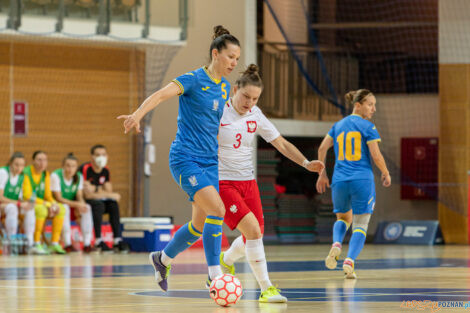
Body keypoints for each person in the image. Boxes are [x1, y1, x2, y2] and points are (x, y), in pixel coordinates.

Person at [118, 25, 241, 292]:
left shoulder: (225, 87)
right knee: (217, 210)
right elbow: (161, 95)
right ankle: (214, 275)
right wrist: (137, 115)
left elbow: (214, 124)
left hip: (209, 162)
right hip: (185, 159)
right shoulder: (194, 79)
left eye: (237, 59)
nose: (234, 63)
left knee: (198, 225)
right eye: (231, 57)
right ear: (216, 53)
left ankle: (162, 259)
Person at [216, 64, 324, 303]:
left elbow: (282, 144)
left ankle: (227, 260)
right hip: (224, 183)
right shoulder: (219, 112)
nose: (249, 102)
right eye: (245, 96)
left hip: (249, 182)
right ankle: (267, 289)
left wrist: (306, 163)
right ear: (234, 89)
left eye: (255, 98)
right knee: (253, 231)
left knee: (254, 236)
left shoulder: (256, 114)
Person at [316, 89, 391, 279]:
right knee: (361, 224)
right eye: (370, 104)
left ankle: (336, 244)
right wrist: (385, 171)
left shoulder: (338, 125)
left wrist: (322, 174)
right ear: (358, 105)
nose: (374, 109)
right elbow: (375, 154)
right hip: (361, 180)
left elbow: (322, 148)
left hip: (339, 180)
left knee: (343, 218)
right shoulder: (368, 126)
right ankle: (349, 261)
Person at [80, 144, 129, 253]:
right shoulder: (86, 169)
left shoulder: (105, 170)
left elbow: (109, 192)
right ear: (92, 157)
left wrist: (95, 189)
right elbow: (87, 195)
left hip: (99, 200)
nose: (101, 157)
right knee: (99, 205)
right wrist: (101, 190)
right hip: (85, 202)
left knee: (113, 204)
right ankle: (98, 241)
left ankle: (117, 240)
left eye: (103, 154)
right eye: (97, 155)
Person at [23, 151, 66, 254]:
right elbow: (27, 196)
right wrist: (47, 204)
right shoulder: (26, 173)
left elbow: (48, 195)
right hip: (26, 204)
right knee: (41, 210)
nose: (42, 163)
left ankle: (54, 243)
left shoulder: (46, 174)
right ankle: (36, 242)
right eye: (39, 160)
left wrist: (53, 203)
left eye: (45, 160)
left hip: (40, 203)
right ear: (33, 161)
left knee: (61, 209)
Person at [51, 153, 94, 253]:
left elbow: (79, 195)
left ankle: (87, 243)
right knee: (64, 207)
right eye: (68, 165)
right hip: (56, 206)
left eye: (73, 166)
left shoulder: (78, 176)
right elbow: (59, 198)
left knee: (87, 208)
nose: (70, 169)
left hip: (72, 205)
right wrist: (77, 205)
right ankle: (67, 243)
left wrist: (82, 205)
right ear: (63, 166)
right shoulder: (56, 175)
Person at [0, 152, 35, 252]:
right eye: (16, 164)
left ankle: (30, 243)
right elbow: (0, 197)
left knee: (29, 209)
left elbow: (19, 199)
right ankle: (12, 242)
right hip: (3, 204)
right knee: (12, 208)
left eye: (22, 165)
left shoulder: (21, 177)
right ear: (10, 164)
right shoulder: (3, 173)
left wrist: (28, 204)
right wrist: (19, 204)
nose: (19, 167)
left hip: (9, 204)